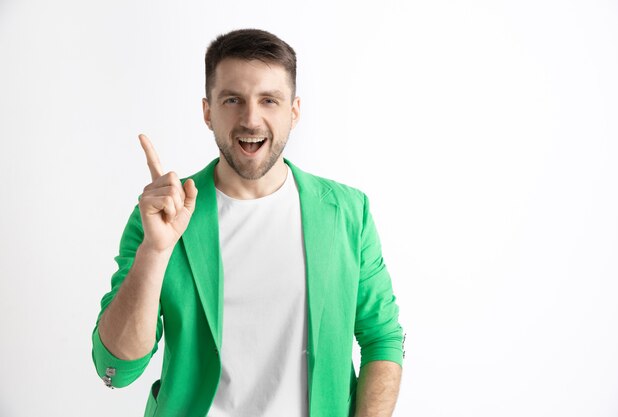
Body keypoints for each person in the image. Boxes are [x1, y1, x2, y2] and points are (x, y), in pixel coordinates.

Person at [92, 28, 404, 417]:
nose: (251, 119)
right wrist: (156, 251)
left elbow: (382, 338)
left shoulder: (347, 211)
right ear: (208, 112)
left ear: (294, 111)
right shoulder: (160, 217)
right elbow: (116, 369)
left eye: (269, 100)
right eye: (233, 100)